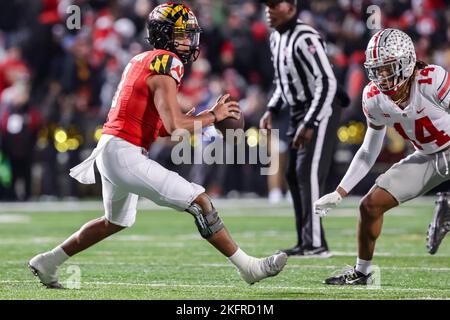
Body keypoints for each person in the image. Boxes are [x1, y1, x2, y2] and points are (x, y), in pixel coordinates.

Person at [28, 2, 287, 289]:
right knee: (200, 201)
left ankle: (48, 261)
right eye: (182, 34)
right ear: (164, 34)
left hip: (114, 149)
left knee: (114, 221)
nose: (189, 41)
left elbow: (163, 127)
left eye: (191, 34)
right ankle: (249, 267)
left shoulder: (142, 59)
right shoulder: (167, 61)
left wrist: (203, 118)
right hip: (124, 153)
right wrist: (213, 116)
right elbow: (176, 126)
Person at [314, 28, 450, 285]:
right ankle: (363, 273)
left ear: (407, 62)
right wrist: (340, 191)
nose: (382, 76)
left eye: (388, 68)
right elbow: (368, 150)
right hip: (426, 157)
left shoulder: (432, 80)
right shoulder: (373, 98)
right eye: (376, 69)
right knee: (369, 206)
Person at [259, 0, 345, 257]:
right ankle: (306, 240)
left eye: (275, 5)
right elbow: (282, 81)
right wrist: (271, 108)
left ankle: (316, 243)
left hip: (322, 108)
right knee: (293, 176)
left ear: (291, 8)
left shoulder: (306, 37)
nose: (268, 10)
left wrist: (310, 122)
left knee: (307, 173)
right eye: (267, 5)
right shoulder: (276, 38)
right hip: (297, 110)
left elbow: (328, 82)